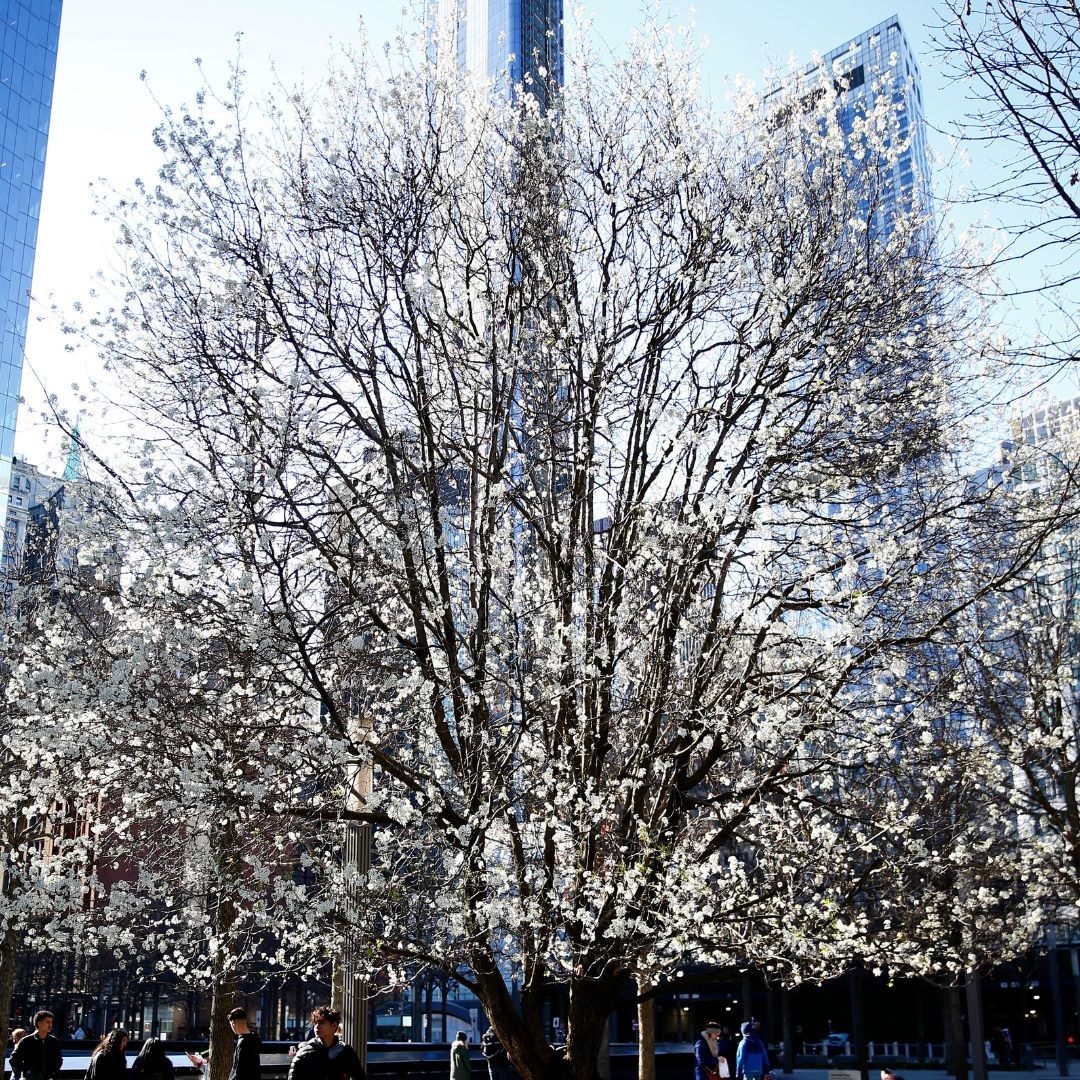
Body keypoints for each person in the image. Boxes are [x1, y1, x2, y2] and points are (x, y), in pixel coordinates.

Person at [287, 1005, 365, 1080]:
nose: (317, 1027)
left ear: (334, 1025)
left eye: (322, 1023)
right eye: (316, 1023)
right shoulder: (303, 1053)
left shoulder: (346, 1052)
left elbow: (360, 1077)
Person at [10, 1011, 63, 1080]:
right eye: (47, 1022)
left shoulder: (54, 1042)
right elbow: (14, 1059)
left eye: (51, 1022)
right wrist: (26, 1072)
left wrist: (52, 1072)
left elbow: (58, 1060)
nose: (50, 1025)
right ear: (39, 1023)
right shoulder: (26, 1041)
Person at [225, 1007, 261, 1080]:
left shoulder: (242, 1043)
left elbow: (238, 1070)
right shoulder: (254, 1038)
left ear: (233, 1023)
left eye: (231, 1024)